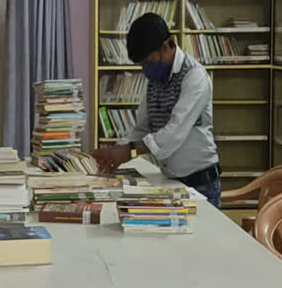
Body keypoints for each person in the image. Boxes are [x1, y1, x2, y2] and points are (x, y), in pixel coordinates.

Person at [92, 12, 222, 207]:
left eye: (148, 63)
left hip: (201, 184)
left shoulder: (195, 77)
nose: (145, 70)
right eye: (141, 65)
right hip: (171, 181)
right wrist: (114, 151)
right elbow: (142, 128)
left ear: (165, 47)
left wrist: (129, 151)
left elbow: (173, 134)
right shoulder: (154, 82)